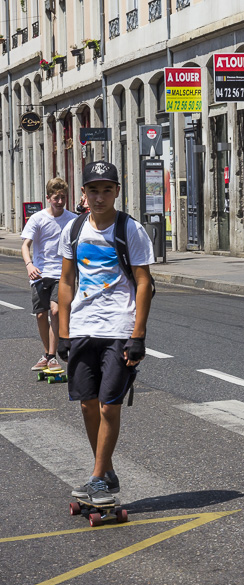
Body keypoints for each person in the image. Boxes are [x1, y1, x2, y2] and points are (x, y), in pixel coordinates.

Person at [57, 161, 154, 505]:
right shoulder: (74, 229)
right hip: (83, 326)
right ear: (83, 193)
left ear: (117, 192)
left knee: (109, 406)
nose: (100, 197)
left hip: (118, 328)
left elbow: (144, 283)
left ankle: (97, 478)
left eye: (107, 190)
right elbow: (66, 281)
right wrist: (63, 333)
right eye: (93, 190)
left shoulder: (130, 230)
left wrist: (137, 335)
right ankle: (106, 470)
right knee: (88, 405)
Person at [21, 178, 78, 371]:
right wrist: (29, 265)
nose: (60, 202)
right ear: (48, 198)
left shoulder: (72, 219)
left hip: (62, 274)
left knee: (55, 311)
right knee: (40, 314)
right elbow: (25, 245)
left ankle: (52, 356)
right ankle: (46, 354)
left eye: (63, 198)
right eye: (56, 198)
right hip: (39, 273)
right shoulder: (37, 218)